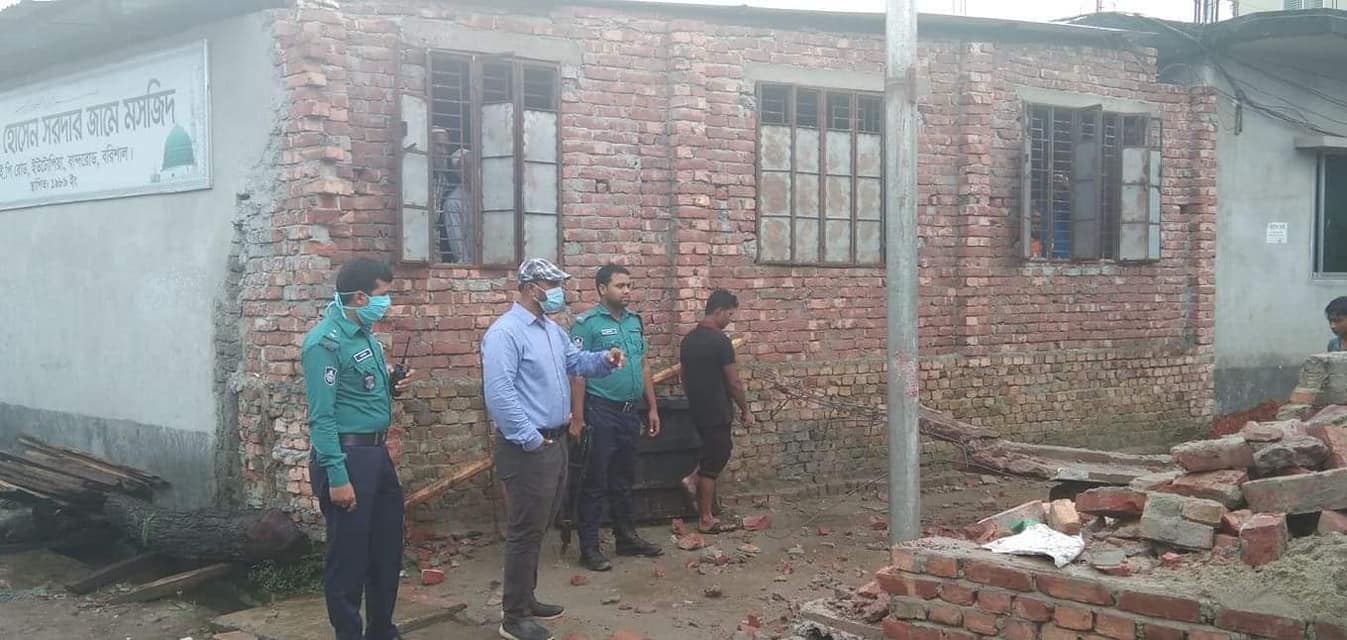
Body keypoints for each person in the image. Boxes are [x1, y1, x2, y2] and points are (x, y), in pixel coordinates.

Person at [482, 258, 626, 640]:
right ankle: (513, 617)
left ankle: (526, 598)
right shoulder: (505, 333)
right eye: (553, 285)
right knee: (524, 530)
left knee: (538, 526)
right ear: (532, 288)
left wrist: (604, 360)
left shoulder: (551, 330)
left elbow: (574, 362)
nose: (560, 292)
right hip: (528, 446)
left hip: (555, 440)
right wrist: (530, 438)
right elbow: (500, 393)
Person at [301, 258, 416, 640]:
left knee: (386, 552)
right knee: (349, 560)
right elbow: (322, 417)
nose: (387, 303)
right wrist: (337, 476)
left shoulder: (365, 334)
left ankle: (382, 630)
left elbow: (360, 391)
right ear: (360, 297)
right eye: (383, 295)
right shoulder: (324, 343)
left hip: (376, 455)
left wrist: (391, 385)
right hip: (346, 458)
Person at [568, 264, 665, 572]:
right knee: (594, 481)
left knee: (623, 479)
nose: (626, 291)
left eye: (629, 285)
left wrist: (652, 407)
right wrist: (578, 417)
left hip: (628, 412)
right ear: (601, 288)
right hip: (600, 411)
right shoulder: (587, 325)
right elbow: (577, 372)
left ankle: (626, 537)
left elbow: (644, 365)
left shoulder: (635, 322)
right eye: (620, 285)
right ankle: (589, 548)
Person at [678, 289, 752, 535]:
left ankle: (692, 479)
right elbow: (734, 382)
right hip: (717, 409)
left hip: (698, 408)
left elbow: (684, 377)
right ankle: (706, 519)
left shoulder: (688, 340)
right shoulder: (721, 341)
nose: (730, 319)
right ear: (719, 311)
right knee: (714, 461)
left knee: (713, 453)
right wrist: (745, 409)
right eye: (729, 314)